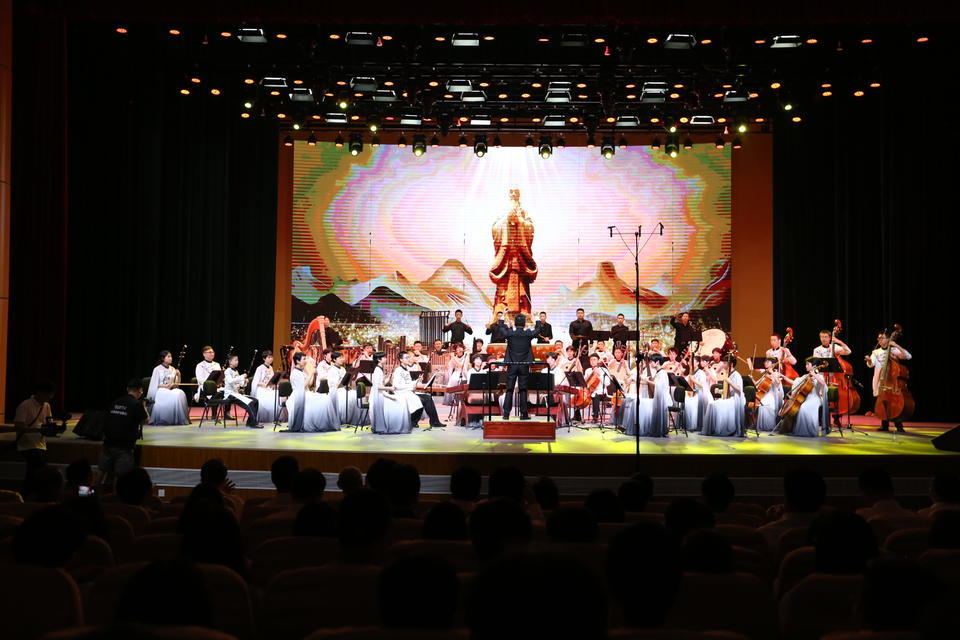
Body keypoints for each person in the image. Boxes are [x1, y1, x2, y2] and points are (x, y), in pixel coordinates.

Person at [100, 378, 149, 490]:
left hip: (108, 443)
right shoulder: (136, 404)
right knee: (121, 476)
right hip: (124, 446)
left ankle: (89, 495)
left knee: (101, 472)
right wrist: (144, 407)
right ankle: (117, 498)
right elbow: (146, 420)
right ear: (140, 390)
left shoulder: (116, 401)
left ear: (127, 389)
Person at [865, 330, 912, 432]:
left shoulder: (894, 350)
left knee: (894, 401)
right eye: (878, 338)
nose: (880, 340)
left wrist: (896, 345)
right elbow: (871, 364)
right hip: (880, 379)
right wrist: (869, 360)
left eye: (882, 338)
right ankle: (884, 424)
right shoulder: (876, 352)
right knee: (883, 401)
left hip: (892, 381)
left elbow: (908, 356)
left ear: (888, 339)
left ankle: (898, 424)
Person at [498, 313, 542, 420]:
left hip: (512, 365)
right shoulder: (528, 334)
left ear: (515, 323)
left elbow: (501, 328)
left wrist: (502, 317)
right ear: (524, 323)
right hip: (523, 365)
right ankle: (524, 414)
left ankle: (506, 414)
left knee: (509, 389)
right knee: (523, 389)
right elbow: (538, 329)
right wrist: (536, 318)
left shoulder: (510, 333)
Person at [14, 381, 54, 496]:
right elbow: (18, 425)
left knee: (36, 471)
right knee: (35, 470)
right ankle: (26, 495)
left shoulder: (46, 405)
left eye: (51, 394)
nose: (49, 397)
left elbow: (48, 422)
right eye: (47, 394)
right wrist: (37, 430)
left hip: (40, 444)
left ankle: (29, 494)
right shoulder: (25, 405)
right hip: (26, 444)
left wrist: (52, 429)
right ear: (39, 392)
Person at [391, 350, 445, 430]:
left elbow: (408, 382)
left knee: (428, 397)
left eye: (409, 357)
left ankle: (434, 422)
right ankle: (413, 421)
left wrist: (417, 380)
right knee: (422, 400)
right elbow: (396, 386)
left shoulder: (406, 370)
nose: (409, 359)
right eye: (406, 358)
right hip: (402, 393)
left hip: (409, 392)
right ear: (401, 360)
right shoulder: (398, 370)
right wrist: (410, 387)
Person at [776, 357, 826, 437]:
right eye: (806, 364)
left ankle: (809, 431)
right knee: (796, 408)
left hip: (815, 398)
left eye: (808, 364)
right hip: (806, 398)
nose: (806, 366)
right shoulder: (806, 376)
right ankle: (795, 429)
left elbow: (823, 384)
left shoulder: (819, 376)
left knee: (803, 408)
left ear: (814, 366)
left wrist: (814, 375)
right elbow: (795, 383)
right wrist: (784, 377)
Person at [371, 352, 415, 434]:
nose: (386, 359)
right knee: (400, 401)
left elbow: (382, 383)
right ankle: (394, 424)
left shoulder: (380, 368)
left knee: (401, 400)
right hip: (378, 395)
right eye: (384, 357)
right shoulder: (377, 370)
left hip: (381, 393)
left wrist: (388, 378)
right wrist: (390, 388)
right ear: (379, 360)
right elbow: (377, 387)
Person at [701, 359, 744, 437]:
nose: (723, 364)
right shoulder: (728, 374)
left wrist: (729, 382)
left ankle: (720, 429)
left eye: (725, 363)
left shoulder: (736, 374)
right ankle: (713, 429)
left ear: (731, 364)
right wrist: (720, 391)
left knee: (716, 405)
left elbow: (739, 389)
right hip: (730, 398)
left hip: (736, 399)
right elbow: (728, 390)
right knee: (711, 404)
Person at [147, 350, 190, 425]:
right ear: (163, 358)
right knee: (172, 395)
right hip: (161, 389)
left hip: (171, 389)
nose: (171, 358)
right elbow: (155, 384)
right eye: (168, 357)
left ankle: (178, 419)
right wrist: (165, 386)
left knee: (180, 393)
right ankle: (166, 419)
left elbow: (177, 383)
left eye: (171, 356)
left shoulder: (172, 368)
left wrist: (178, 375)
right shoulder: (157, 369)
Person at [222, 353, 262, 428]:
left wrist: (245, 381)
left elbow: (240, 384)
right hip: (230, 394)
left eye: (237, 360)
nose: (237, 362)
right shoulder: (227, 371)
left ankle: (250, 422)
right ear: (230, 362)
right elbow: (230, 381)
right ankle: (254, 423)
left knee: (255, 401)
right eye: (235, 360)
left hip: (236, 394)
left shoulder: (236, 371)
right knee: (249, 403)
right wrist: (241, 377)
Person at [755, 357, 785, 432]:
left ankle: (769, 426)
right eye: (765, 361)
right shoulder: (765, 374)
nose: (765, 363)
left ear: (773, 364)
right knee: (761, 404)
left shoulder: (776, 373)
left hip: (773, 395)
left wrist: (772, 372)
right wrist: (751, 378)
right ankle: (762, 426)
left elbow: (778, 383)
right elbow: (756, 384)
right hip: (765, 394)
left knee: (765, 405)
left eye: (768, 362)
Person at [583, 353, 613, 423]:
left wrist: (599, 375)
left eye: (594, 359)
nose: (592, 361)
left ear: (598, 360)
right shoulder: (588, 370)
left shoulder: (603, 370)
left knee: (595, 395)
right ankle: (577, 415)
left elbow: (608, 383)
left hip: (601, 392)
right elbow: (585, 382)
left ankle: (595, 416)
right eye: (591, 360)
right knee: (578, 396)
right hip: (589, 391)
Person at [251, 350, 278, 423]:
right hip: (260, 389)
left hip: (268, 388)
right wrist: (265, 385)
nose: (271, 359)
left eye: (271, 357)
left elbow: (271, 380)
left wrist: (272, 385)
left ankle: (275, 416)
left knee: (277, 393)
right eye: (268, 357)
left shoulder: (271, 368)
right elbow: (256, 382)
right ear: (264, 359)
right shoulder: (260, 368)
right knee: (270, 396)